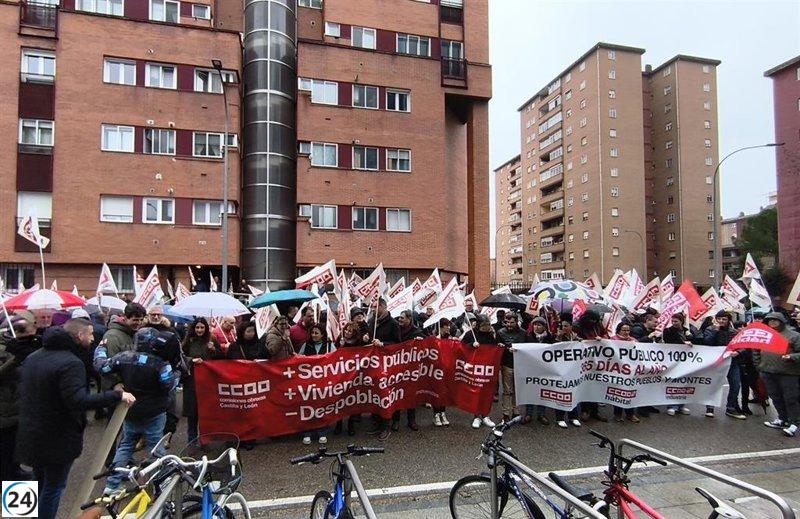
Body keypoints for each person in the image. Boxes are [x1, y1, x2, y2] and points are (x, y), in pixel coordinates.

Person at [17, 319, 135, 519]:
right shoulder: (71, 363)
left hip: (31, 431)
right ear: (79, 336)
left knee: (37, 482)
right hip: (57, 435)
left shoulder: (34, 356)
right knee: (53, 486)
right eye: (90, 334)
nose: (92, 338)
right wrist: (116, 396)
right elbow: (78, 400)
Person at [94, 327, 180, 494]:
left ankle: (112, 484)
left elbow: (101, 367)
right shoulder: (160, 363)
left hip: (130, 409)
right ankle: (162, 480)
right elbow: (168, 385)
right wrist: (176, 373)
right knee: (156, 445)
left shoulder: (123, 358)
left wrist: (101, 348)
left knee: (126, 445)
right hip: (154, 411)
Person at [0, 316, 41, 481]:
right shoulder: (4, 350)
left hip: (19, 407)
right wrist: (16, 360)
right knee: (5, 451)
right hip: (5, 409)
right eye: (27, 336)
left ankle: (14, 471)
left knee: (15, 448)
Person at [756, 312, 800, 437]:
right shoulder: (765, 335)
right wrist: (759, 365)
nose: (772, 323)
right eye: (769, 321)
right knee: (776, 397)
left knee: (791, 398)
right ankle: (782, 418)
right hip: (768, 372)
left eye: (775, 320)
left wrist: (792, 357)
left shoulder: (794, 336)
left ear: (781, 321)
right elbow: (756, 350)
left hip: (788, 373)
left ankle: (794, 423)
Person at [364, 298, 401, 441]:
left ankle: (387, 425)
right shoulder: (372, 321)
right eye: (372, 307)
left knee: (387, 394)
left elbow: (398, 344)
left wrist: (383, 344)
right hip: (374, 364)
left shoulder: (393, 324)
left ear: (383, 306)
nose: (372, 309)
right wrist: (366, 337)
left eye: (375, 307)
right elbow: (369, 338)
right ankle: (377, 422)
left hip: (388, 365)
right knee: (376, 393)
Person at [181, 317, 222, 442]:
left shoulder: (212, 339)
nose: (199, 330)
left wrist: (214, 350)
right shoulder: (188, 341)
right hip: (192, 381)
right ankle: (192, 441)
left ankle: (205, 439)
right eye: (197, 327)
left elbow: (221, 359)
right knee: (192, 412)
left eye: (202, 327)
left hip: (207, 381)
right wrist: (191, 360)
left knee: (206, 411)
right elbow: (181, 357)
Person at [298, 324, 336, 444]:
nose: (314, 335)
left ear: (322, 334)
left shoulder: (330, 346)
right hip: (308, 383)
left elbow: (336, 361)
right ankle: (307, 432)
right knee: (308, 407)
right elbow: (298, 361)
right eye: (312, 333)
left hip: (324, 382)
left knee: (321, 407)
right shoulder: (306, 345)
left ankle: (322, 432)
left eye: (316, 333)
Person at [704, 310, 745, 419]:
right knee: (713, 384)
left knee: (736, 385)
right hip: (716, 363)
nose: (721, 321)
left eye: (724, 319)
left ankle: (731, 408)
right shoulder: (710, 329)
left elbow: (743, 345)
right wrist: (715, 331)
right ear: (715, 319)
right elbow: (707, 342)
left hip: (732, 362)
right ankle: (710, 407)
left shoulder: (734, 332)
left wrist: (738, 352)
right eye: (719, 319)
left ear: (728, 321)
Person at [99, 303, 146, 391]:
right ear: (125, 317)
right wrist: (116, 383)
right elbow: (108, 365)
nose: (139, 323)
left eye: (141, 320)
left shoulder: (136, 334)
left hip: (131, 386)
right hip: (117, 389)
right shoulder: (112, 336)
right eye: (135, 320)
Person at [464, 315, 498, 429]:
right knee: (476, 392)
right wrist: (471, 345)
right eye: (484, 325)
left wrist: (499, 346)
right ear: (479, 325)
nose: (486, 328)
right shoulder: (470, 334)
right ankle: (476, 416)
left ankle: (485, 415)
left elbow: (494, 349)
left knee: (487, 393)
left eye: (488, 325)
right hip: (475, 368)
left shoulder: (491, 335)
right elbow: (461, 348)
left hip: (487, 369)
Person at [496, 312, 530, 423]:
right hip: (507, 364)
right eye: (507, 322)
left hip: (520, 365)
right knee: (507, 390)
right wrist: (504, 348)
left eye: (512, 322)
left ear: (516, 322)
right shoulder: (500, 332)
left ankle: (516, 412)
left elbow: (529, 348)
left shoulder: (523, 333)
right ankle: (506, 413)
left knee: (517, 390)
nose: (509, 325)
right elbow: (497, 348)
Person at [337, 322, 366, 436]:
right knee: (340, 400)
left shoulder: (359, 342)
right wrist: (340, 346)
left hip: (354, 376)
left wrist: (365, 341)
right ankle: (339, 423)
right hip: (341, 376)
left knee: (352, 401)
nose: (347, 333)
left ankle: (351, 424)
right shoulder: (340, 339)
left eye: (350, 331)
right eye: (346, 330)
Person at [662, 313, 693, 417]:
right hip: (674, 360)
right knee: (674, 383)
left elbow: (698, 341)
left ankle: (681, 405)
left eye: (676, 321)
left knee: (684, 382)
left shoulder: (687, 330)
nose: (674, 323)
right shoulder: (668, 331)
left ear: (681, 321)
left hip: (686, 361)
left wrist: (691, 337)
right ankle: (671, 406)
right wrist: (682, 344)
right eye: (673, 321)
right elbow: (669, 342)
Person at [611, 322, 641, 423]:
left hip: (631, 371)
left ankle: (630, 414)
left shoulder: (634, 341)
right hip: (618, 370)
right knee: (618, 393)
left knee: (630, 392)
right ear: (619, 330)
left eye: (628, 330)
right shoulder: (613, 340)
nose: (626, 332)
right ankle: (618, 414)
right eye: (623, 330)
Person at [526, 317, 553, 425]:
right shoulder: (528, 336)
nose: (536, 327)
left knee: (543, 391)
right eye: (535, 325)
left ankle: (541, 414)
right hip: (531, 368)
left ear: (544, 326)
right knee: (530, 390)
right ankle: (529, 413)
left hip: (544, 368)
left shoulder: (550, 337)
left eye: (539, 325)